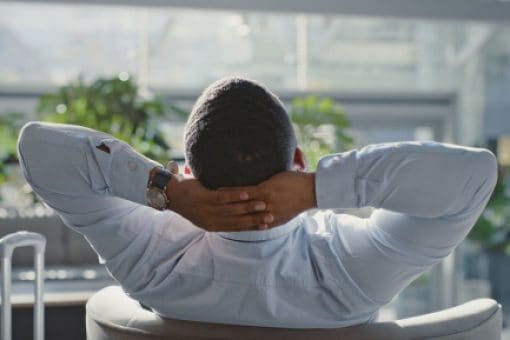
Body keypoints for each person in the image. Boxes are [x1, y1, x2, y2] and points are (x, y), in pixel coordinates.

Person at [17, 77, 497, 328]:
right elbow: (474, 174)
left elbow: (37, 146)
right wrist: (316, 189)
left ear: (187, 169)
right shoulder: (352, 274)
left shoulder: (151, 262)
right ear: (300, 158)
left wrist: (170, 192)